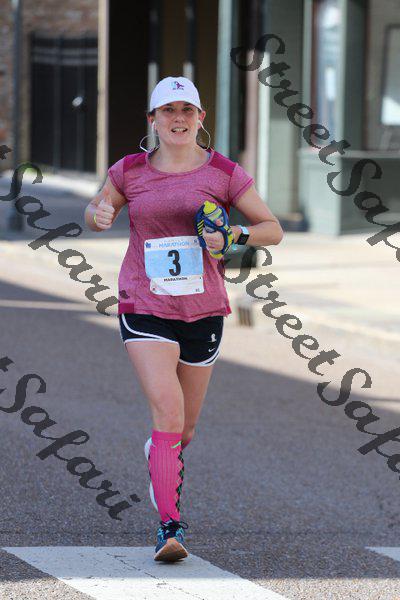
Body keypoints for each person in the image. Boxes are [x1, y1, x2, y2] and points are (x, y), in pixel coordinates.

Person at [84, 76, 283, 562]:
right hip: (143, 303)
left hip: (203, 309)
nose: (178, 119)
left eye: (186, 111)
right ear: (152, 120)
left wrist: (233, 235)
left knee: (184, 430)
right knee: (168, 413)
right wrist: (97, 215)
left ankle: (160, 452)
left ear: (200, 119)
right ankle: (169, 527)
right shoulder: (129, 170)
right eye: (168, 111)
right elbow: (97, 208)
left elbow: (272, 229)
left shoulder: (224, 172)